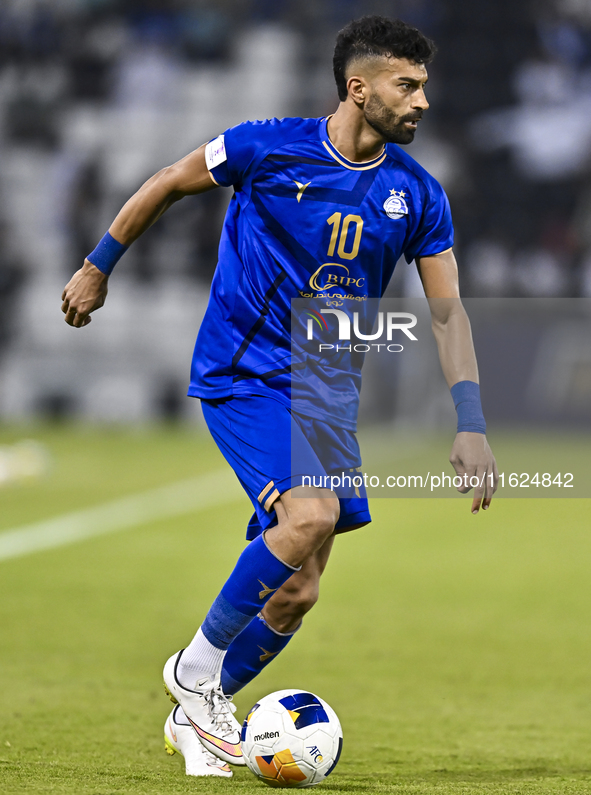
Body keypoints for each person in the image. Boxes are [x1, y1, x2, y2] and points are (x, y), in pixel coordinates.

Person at [61, 15, 498, 779]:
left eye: (424, 85)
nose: (422, 100)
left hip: (326, 391)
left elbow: (446, 311)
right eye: (408, 85)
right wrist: (99, 265)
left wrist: (470, 422)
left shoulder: (417, 194)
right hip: (246, 372)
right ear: (358, 89)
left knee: (298, 590)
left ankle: (199, 717)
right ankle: (193, 674)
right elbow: (168, 181)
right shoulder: (265, 146)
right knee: (311, 514)